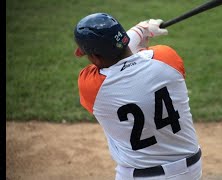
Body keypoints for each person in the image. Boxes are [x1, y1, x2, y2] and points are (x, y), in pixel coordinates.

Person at [73, 12, 202, 180]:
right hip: (192, 169)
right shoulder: (167, 58)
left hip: (143, 176)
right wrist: (142, 29)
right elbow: (131, 52)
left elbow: (121, 56)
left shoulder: (92, 87)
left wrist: (141, 29)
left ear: (95, 57)